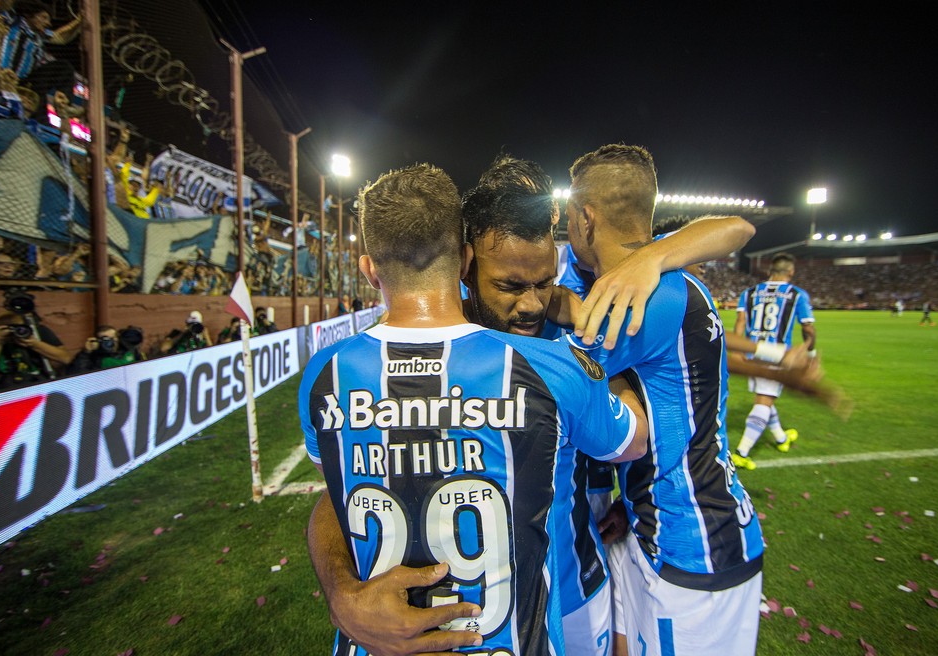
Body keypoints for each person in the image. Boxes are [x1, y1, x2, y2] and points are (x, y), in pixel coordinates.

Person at [305, 157, 760, 656]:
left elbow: (732, 231)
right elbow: (341, 492)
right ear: (464, 265)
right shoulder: (508, 352)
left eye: (543, 283)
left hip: (579, 582)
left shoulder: (571, 313)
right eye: (509, 286)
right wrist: (341, 591)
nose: (531, 304)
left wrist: (651, 257)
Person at [564, 144, 763, 656]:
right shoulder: (669, 280)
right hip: (655, 521)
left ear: (585, 218)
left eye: (567, 217)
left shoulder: (650, 298)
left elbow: (557, 374)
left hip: (695, 546)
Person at [732, 252, 816, 470]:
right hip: (777, 354)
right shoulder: (796, 294)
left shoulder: (749, 293)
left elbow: (740, 322)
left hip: (753, 353)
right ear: (791, 271)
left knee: (766, 397)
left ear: (770, 270)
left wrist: (738, 349)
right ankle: (741, 453)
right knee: (764, 401)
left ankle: (781, 438)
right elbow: (808, 328)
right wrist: (810, 353)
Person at [0, 298, 71, 391]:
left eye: (19, 328)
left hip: (36, 382)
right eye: (9, 328)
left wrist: (34, 344)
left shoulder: (37, 332)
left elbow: (66, 358)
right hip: (1, 386)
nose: (15, 332)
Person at [67, 324, 145, 374]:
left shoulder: (127, 348)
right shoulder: (94, 357)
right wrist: (86, 352)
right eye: (105, 339)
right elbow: (78, 374)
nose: (110, 342)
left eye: (112, 338)